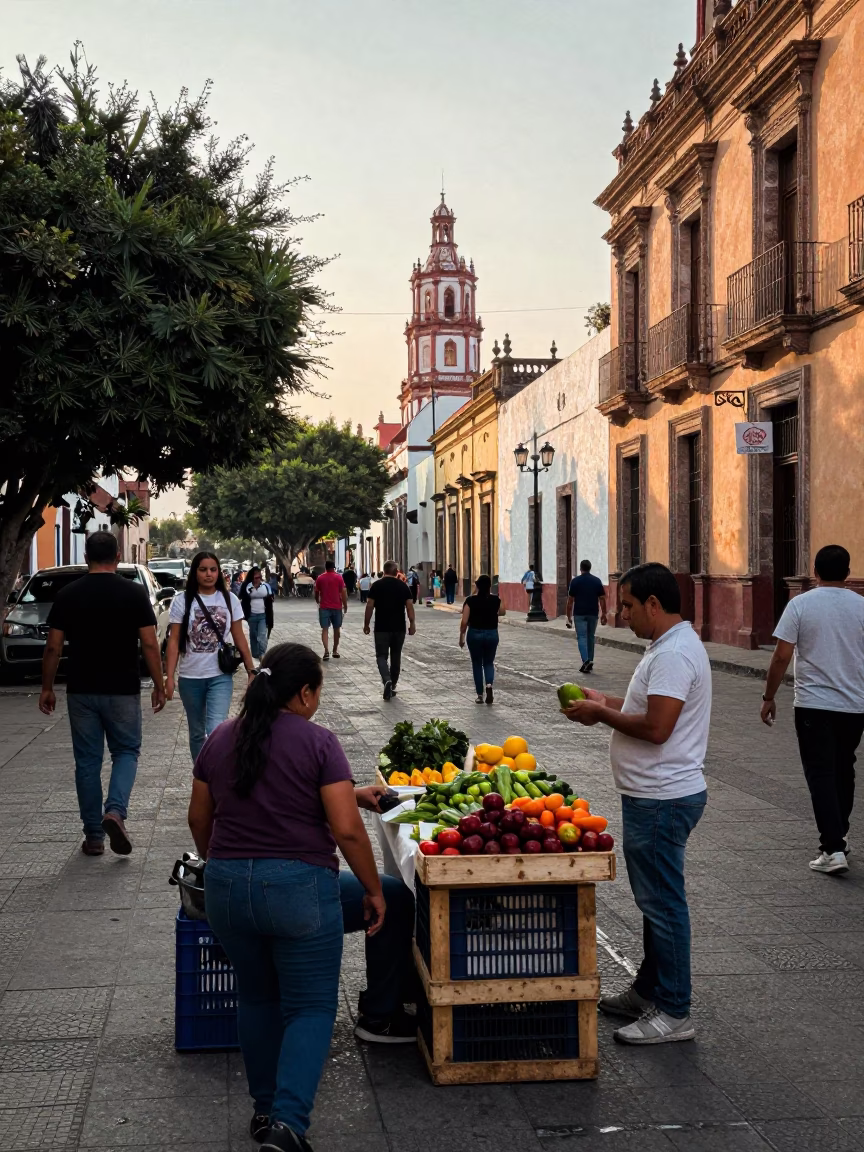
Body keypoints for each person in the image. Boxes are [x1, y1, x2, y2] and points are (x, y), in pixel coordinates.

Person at [188, 643, 386, 1152]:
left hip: (228, 890)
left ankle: (263, 1110)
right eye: (317, 692)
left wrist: (226, 864)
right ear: (302, 693)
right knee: (310, 1007)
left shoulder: (221, 738)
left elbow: (198, 818)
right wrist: (370, 889)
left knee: (256, 996)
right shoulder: (319, 742)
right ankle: (288, 1126)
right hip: (299, 890)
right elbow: (347, 831)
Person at [562, 562, 710, 1045]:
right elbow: (649, 710)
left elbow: (657, 728)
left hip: (663, 798)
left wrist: (602, 714)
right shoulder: (667, 647)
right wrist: (605, 701)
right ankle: (649, 989)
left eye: (627, 605)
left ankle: (675, 1010)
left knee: (664, 905)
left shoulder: (673, 654)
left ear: (653, 604)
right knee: (654, 902)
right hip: (653, 794)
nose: (622, 614)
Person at [38, 531, 166, 857]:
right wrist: (160, 683)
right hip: (122, 689)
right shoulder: (135, 593)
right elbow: (150, 643)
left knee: (87, 762)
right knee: (125, 752)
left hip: (81, 689)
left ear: (86, 556)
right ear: (118, 556)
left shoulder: (68, 594)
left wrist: (47, 687)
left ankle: (94, 836)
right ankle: (116, 812)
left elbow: (53, 646)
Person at [761, 544, 864, 875]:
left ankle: (833, 849)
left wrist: (768, 696)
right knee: (844, 768)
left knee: (820, 773)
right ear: (847, 573)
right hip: (854, 704)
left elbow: (781, 656)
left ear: (815, 572)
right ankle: (840, 837)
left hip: (813, 706)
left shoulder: (800, 605)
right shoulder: (861, 606)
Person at [165, 552, 256, 762]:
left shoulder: (229, 599)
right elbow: (174, 641)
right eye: (203, 569)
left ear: (219, 572)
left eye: (213, 569)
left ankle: (216, 776)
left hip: (220, 676)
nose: (209, 574)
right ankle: (201, 777)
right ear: (194, 572)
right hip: (190, 677)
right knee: (197, 733)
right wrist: (168, 677)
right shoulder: (182, 601)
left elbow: (239, 636)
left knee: (216, 729)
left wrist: (251, 670)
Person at [364, 560, 416, 700]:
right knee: (396, 655)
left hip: (381, 627)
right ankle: (392, 685)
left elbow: (369, 605)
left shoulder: (376, 586)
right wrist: (412, 623)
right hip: (399, 627)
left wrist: (366, 624)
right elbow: (409, 606)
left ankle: (386, 679)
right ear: (396, 571)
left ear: (384, 570)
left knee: (381, 656)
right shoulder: (403, 586)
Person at [459, 575, 506, 704]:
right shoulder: (496, 600)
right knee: (489, 662)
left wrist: (461, 637)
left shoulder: (470, 601)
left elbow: (464, 622)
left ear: (477, 586)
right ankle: (489, 685)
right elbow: (502, 612)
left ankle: (480, 695)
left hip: (474, 634)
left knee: (477, 664)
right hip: (492, 634)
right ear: (490, 586)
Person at [566, 559, 608, 673]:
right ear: (590, 568)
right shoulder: (596, 581)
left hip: (579, 613)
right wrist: (604, 613)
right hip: (593, 613)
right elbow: (602, 599)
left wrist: (568, 616)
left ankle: (585, 660)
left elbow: (570, 601)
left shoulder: (575, 582)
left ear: (580, 568)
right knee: (590, 637)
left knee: (581, 637)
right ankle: (590, 660)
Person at [314, 561, 347, 661]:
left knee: (325, 629)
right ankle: (335, 650)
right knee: (336, 629)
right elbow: (343, 591)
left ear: (326, 568)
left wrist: (317, 600)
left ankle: (326, 651)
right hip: (337, 607)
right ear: (334, 568)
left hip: (324, 606)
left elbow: (316, 591)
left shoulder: (320, 578)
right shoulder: (338, 577)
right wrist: (345, 605)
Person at [240, 567, 275, 662]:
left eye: (259, 576)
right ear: (252, 576)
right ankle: (255, 654)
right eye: (256, 576)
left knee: (262, 635)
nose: (258, 578)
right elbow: (241, 597)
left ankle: (262, 654)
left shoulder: (265, 586)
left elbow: (271, 598)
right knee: (253, 635)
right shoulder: (247, 586)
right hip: (251, 615)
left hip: (263, 615)